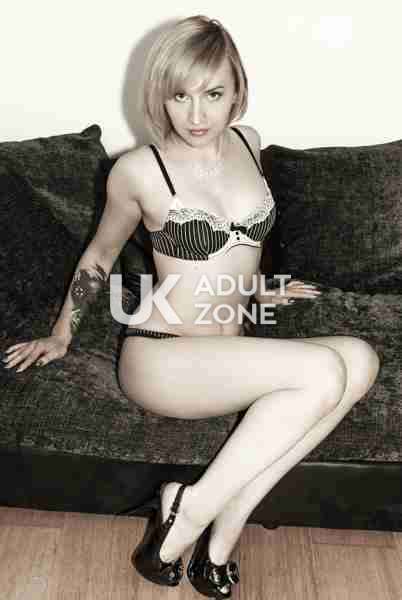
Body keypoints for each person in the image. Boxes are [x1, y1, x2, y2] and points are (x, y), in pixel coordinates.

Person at [3, 15, 380, 598]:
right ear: (161, 96)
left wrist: (260, 289)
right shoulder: (138, 171)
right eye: (180, 96)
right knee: (322, 371)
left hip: (225, 348)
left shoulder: (248, 143)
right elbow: (98, 256)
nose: (197, 115)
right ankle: (189, 509)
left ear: (238, 90)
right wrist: (62, 334)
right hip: (165, 356)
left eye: (213, 94)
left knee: (359, 359)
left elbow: (234, 253)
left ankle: (221, 535)